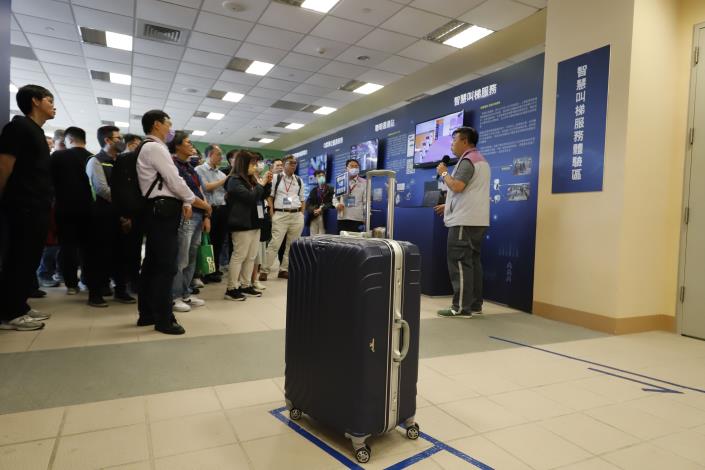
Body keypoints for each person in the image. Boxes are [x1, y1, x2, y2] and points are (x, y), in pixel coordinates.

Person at [0, 84, 56, 330]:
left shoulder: (37, 132)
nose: (53, 105)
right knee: (18, 258)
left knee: (30, 258)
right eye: (49, 100)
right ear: (34, 101)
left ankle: (19, 305)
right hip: (23, 205)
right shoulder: (18, 127)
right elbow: (4, 165)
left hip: (39, 205)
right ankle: (9, 313)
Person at [136, 110, 195, 335]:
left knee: (152, 265)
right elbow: (173, 179)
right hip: (163, 211)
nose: (170, 128)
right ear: (156, 124)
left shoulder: (146, 147)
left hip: (155, 210)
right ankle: (164, 319)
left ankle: (147, 313)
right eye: (168, 123)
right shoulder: (155, 147)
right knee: (165, 267)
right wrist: (190, 198)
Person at [435, 127, 490, 318]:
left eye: (454, 140)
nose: (452, 144)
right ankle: (474, 305)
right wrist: (448, 205)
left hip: (464, 222)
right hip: (476, 220)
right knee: (472, 263)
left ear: (465, 142)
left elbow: (457, 186)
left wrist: (443, 173)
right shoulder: (480, 160)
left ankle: (460, 307)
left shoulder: (467, 160)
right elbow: (469, 192)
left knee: (459, 262)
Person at [86, 125, 135, 307]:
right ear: (107, 140)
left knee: (121, 255)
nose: (121, 141)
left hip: (121, 216)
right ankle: (95, 294)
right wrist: (124, 201)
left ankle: (120, 291)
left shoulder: (122, 162)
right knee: (100, 256)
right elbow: (102, 189)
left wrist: (127, 214)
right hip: (101, 216)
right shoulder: (95, 161)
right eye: (118, 138)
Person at [168, 132, 211, 312]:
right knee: (181, 258)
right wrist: (206, 206)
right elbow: (183, 192)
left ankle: (185, 292)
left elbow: (201, 191)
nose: (191, 145)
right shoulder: (173, 165)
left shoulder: (190, 167)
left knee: (192, 257)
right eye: (187, 142)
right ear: (177, 146)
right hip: (186, 215)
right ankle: (175, 296)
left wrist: (207, 214)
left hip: (199, 215)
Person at [50, 126, 94, 295]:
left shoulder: (58, 156)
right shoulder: (93, 157)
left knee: (67, 247)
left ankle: (71, 284)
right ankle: (87, 280)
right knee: (88, 248)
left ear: (68, 140)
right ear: (84, 140)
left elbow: (49, 181)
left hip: (64, 209)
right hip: (89, 209)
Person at [224, 151, 272, 301]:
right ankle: (231, 288)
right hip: (241, 223)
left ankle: (245, 285)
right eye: (253, 163)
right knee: (239, 256)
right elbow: (250, 197)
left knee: (251, 256)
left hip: (254, 222)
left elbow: (261, 196)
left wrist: (267, 183)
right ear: (243, 164)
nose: (256, 166)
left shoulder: (250, 180)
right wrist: (262, 183)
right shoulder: (234, 180)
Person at [259, 155, 304, 281]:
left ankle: (284, 269)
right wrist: (272, 213)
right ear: (284, 164)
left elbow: (302, 199)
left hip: (296, 215)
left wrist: (301, 214)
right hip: (280, 214)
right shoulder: (275, 178)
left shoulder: (299, 180)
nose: (294, 165)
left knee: (291, 245)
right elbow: (270, 197)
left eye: (295, 163)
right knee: (275, 244)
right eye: (291, 163)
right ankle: (264, 270)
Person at [195, 144, 228, 284]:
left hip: (222, 209)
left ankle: (213, 270)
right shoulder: (199, 169)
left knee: (219, 242)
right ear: (209, 155)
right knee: (206, 242)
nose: (221, 157)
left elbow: (225, 193)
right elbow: (205, 187)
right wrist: (224, 181)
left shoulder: (222, 173)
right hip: (208, 210)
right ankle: (204, 272)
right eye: (218, 154)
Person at [333, 159, 366, 233]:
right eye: (352, 166)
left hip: (357, 218)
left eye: (356, 166)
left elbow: (366, 202)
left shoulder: (364, 182)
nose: (354, 168)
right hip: (342, 217)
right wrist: (337, 204)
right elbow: (334, 198)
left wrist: (366, 217)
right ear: (346, 168)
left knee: (356, 242)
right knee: (341, 242)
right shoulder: (340, 181)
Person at [305, 169, 334, 235]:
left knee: (322, 238)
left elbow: (332, 202)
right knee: (312, 238)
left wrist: (322, 209)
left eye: (322, 175)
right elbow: (308, 204)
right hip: (314, 216)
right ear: (315, 178)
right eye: (319, 176)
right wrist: (313, 210)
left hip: (326, 216)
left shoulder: (331, 189)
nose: (321, 177)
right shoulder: (313, 190)